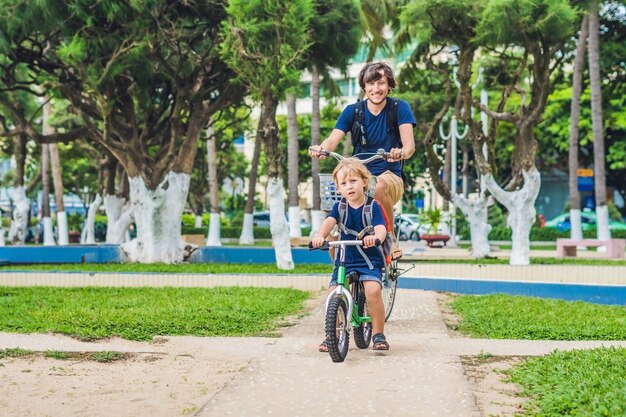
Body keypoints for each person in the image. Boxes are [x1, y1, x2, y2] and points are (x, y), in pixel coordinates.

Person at [309, 61, 417, 260]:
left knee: (378, 186)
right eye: (371, 84)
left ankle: (389, 238)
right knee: (336, 201)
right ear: (364, 86)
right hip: (359, 175)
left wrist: (400, 153)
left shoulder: (399, 108)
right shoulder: (353, 111)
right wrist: (322, 149)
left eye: (381, 83)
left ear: (389, 86)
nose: (376, 89)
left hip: (390, 175)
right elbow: (333, 140)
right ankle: (341, 275)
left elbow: (409, 147)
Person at [312, 158, 390, 351]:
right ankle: (333, 335)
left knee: (372, 291)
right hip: (345, 259)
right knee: (332, 294)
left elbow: (381, 227)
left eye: (353, 181)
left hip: (368, 259)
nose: (349, 187)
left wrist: (376, 238)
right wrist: (320, 236)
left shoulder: (373, 206)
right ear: (338, 188)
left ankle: (378, 334)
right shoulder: (340, 208)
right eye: (344, 183)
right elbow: (329, 222)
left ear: (364, 181)